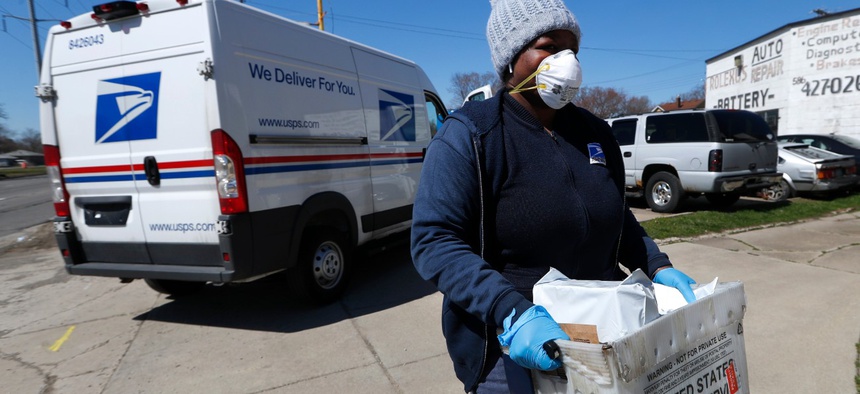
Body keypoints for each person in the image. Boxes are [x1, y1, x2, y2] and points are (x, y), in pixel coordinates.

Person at [410, 0, 698, 392]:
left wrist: (657, 265)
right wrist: (511, 312)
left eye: (572, 51)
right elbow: (435, 240)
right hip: (512, 345)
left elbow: (616, 217)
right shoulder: (471, 135)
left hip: (603, 332)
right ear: (511, 59)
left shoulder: (594, 132)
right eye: (548, 46)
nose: (567, 62)